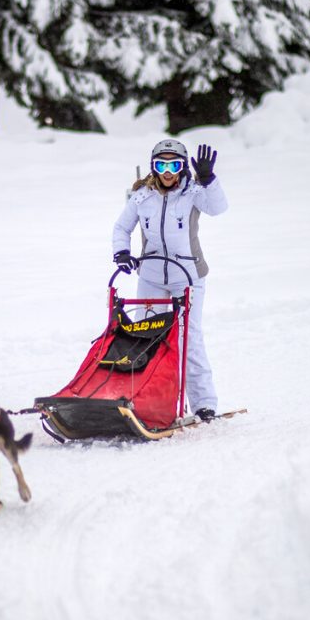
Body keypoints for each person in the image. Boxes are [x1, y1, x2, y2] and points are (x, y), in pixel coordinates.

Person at [111, 138, 228, 423]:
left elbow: (218, 207)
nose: (167, 171)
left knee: (189, 340)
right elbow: (121, 227)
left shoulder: (193, 193)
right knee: (145, 336)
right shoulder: (142, 197)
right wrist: (122, 252)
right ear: (153, 167)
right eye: (161, 164)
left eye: (174, 165)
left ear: (182, 168)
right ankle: (146, 399)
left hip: (187, 278)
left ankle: (203, 404)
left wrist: (208, 178)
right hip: (151, 277)